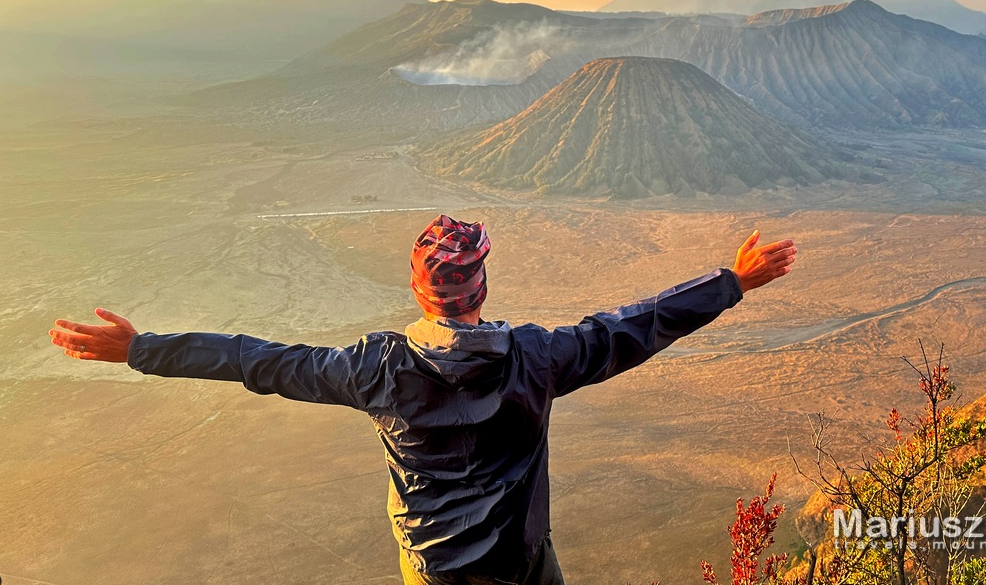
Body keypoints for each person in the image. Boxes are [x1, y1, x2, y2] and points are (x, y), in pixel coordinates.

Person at [48, 215, 798, 584]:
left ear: (418, 287)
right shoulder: (536, 359)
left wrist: (143, 349)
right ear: (482, 288)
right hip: (522, 561)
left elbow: (261, 362)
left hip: (432, 570)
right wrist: (731, 282)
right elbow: (629, 329)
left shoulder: (375, 369)